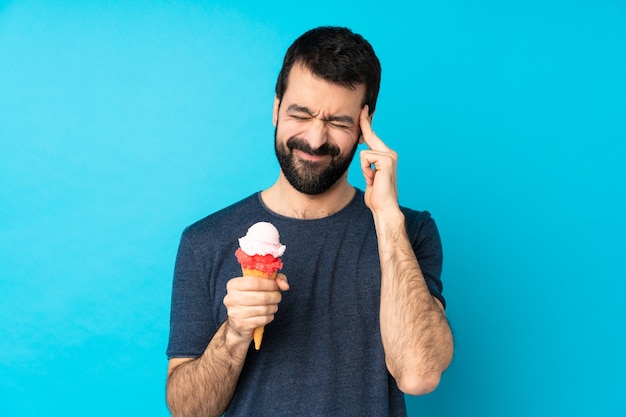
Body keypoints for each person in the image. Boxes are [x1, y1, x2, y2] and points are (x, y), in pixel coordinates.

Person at [165, 26, 454, 417]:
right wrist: (233, 334)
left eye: (337, 121)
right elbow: (188, 411)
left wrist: (386, 217)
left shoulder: (410, 231)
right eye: (300, 114)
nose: (315, 140)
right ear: (276, 108)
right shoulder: (204, 240)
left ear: (365, 124)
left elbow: (419, 375)